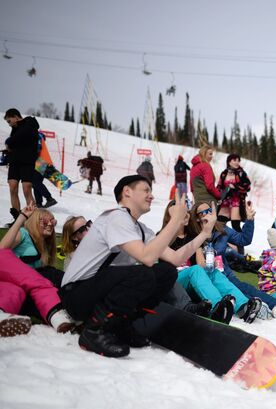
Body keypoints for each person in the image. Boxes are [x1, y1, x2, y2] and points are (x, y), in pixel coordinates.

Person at [60, 175, 216, 358]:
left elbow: (174, 258)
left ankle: (121, 324)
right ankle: (94, 330)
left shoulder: (140, 229)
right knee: (143, 273)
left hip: (97, 291)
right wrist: (175, 221)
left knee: (166, 272)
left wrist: (204, 234)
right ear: (127, 191)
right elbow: (147, 257)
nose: (151, 196)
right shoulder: (115, 217)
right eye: (146, 190)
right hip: (77, 295)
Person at [162, 200, 262, 324]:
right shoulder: (162, 237)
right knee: (196, 270)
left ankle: (243, 308)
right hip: (173, 283)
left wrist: (211, 264)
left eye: (186, 212)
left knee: (212, 271)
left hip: (190, 280)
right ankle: (218, 307)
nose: (186, 215)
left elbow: (200, 264)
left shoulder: (193, 237)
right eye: (181, 213)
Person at [190, 202, 276, 320]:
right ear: (197, 217)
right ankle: (257, 307)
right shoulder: (194, 234)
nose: (208, 214)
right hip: (207, 277)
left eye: (209, 210)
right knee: (233, 291)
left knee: (243, 287)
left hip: (225, 273)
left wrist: (249, 220)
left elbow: (243, 240)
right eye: (203, 213)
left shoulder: (222, 229)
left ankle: (274, 305)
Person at [0, 203, 75, 334]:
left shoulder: (45, 246)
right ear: (34, 221)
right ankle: (58, 314)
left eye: (53, 221)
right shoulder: (23, 234)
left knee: (16, 292)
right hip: (8, 275)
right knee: (51, 275)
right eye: (46, 220)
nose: (51, 224)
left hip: (20, 289)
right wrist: (22, 217)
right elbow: (2, 250)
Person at [4, 108, 37, 223]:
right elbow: (14, 143)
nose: (9, 124)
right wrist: (8, 151)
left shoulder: (30, 123)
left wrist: (9, 142)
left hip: (27, 162)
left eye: (9, 121)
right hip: (14, 162)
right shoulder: (14, 129)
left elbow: (21, 136)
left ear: (15, 116)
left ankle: (34, 219)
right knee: (12, 187)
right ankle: (17, 219)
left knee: (27, 189)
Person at [217, 153, 251, 233]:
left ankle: (240, 245)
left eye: (238, 160)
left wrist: (235, 186)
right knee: (219, 223)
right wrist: (219, 195)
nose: (237, 162)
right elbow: (219, 186)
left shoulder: (241, 173)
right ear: (229, 161)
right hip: (225, 201)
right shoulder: (224, 173)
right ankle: (221, 243)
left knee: (235, 225)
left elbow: (248, 187)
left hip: (236, 201)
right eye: (235, 160)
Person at [32, 131, 57, 209]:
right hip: (41, 161)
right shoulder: (40, 136)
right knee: (36, 182)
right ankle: (39, 203)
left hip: (41, 162)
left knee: (35, 182)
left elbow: (37, 149)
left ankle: (49, 198)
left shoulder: (37, 136)